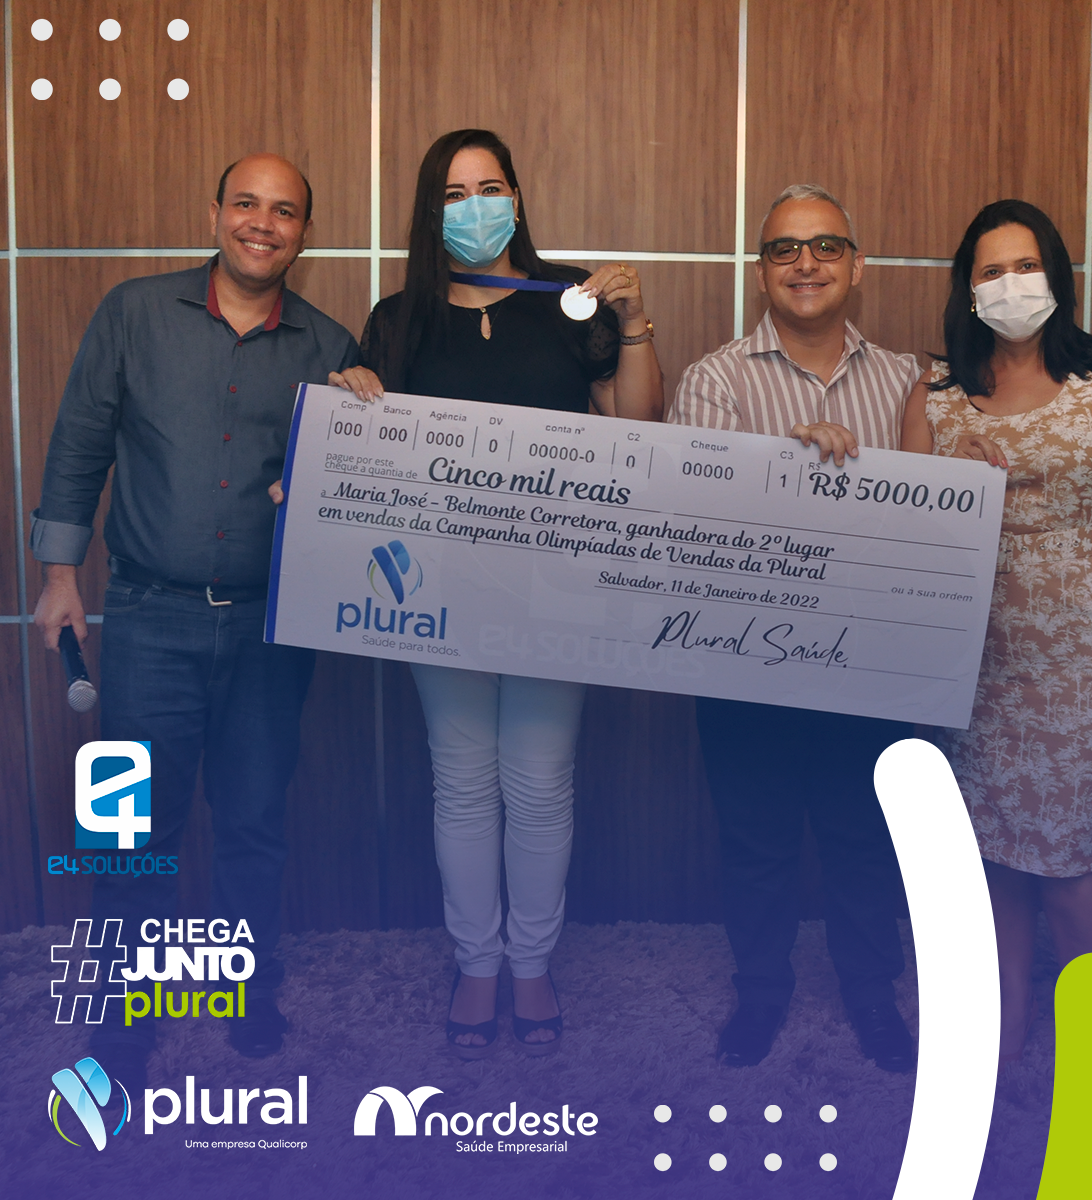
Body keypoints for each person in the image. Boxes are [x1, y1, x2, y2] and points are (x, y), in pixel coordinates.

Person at [32, 154, 360, 1088]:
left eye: (284, 211)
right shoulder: (133, 313)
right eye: (246, 203)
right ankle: (123, 1016)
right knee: (129, 832)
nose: (263, 222)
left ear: (305, 233)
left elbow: (352, 487)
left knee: (254, 822)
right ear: (215, 211)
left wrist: (349, 451)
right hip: (146, 619)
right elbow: (80, 441)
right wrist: (60, 576)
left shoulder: (332, 348)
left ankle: (247, 991)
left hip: (268, 629)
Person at [334, 128, 663, 1058]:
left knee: (541, 781)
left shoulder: (570, 299)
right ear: (429, 212)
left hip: (559, 586)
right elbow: (368, 444)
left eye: (490, 187)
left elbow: (638, 429)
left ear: (517, 198)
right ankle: (477, 965)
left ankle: (532, 964)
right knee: (463, 781)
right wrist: (354, 394)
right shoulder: (398, 318)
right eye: (453, 193)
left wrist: (635, 323)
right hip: (436, 588)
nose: (474, 207)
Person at [900, 199, 1092, 1065]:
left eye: (1027, 266)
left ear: (1055, 273)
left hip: (1086, 647)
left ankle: (1091, 1040)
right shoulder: (935, 392)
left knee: (1075, 851)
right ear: (968, 287)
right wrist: (948, 478)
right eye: (992, 270)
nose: (1011, 284)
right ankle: (1005, 1020)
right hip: (974, 648)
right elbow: (905, 517)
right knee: (992, 847)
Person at [671, 184, 920, 1071]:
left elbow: (929, 519)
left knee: (866, 839)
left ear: (858, 264)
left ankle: (872, 994)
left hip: (873, 657)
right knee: (756, 842)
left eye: (825, 247)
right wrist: (787, 467)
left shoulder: (911, 381)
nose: (805, 264)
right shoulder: (714, 379)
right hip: (749, 659)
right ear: (760, 271)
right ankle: (761, 994)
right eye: (784, 249)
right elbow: (695, 521)